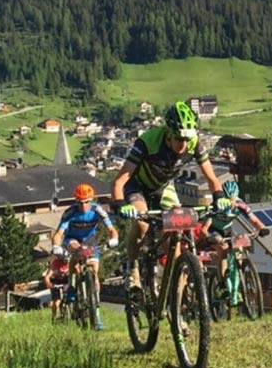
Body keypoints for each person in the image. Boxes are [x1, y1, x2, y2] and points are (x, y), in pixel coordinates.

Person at [111, 101, 228, 291]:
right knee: (141, 223)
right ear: (168, 133)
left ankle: (176, 292)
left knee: (175, 229)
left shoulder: (194, 143)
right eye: (178, 139)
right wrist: (119, 203)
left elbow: (212, 178)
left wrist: (219, 196)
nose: (183, 144)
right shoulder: (148, 141)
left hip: (164, 187)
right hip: (138, 186)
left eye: (186, 139)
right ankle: (132, 269)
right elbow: (119, 181)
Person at [50, 182, 120, 330]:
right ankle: (71, 286)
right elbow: (58, 234)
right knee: (76, 255)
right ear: (76, 201)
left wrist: (113, 239)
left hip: (90, 240)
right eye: (80, 202)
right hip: (72, 239)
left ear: (92, 200)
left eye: (87, 202)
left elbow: (112, 229)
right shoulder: (70, 212)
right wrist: (56, 246)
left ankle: (97, 314)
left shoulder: (98, 210)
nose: (83, 206)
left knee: (94, 271)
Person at [201, 179, 270, 303]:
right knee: (223, 251)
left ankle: (238, 278)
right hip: (215, 230)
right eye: (229, 201)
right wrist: (209, 238)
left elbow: (254, 220)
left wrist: (262, 228)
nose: (232, 204)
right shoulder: (217, 206)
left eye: (234, 200)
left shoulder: (241, 205)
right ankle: (222, 285)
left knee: (238, 248)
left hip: (228, 229)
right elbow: (205, 228)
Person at [44, 252, 70, 322]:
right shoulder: (56, 263)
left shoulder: (71, 263)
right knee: (57, 301)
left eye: (68, 260)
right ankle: (54, 317)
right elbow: (47, 276)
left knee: (70, 297)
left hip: (66, 281)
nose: (66, 262)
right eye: (65, 260)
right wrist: (48, 282)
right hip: (56, 281)